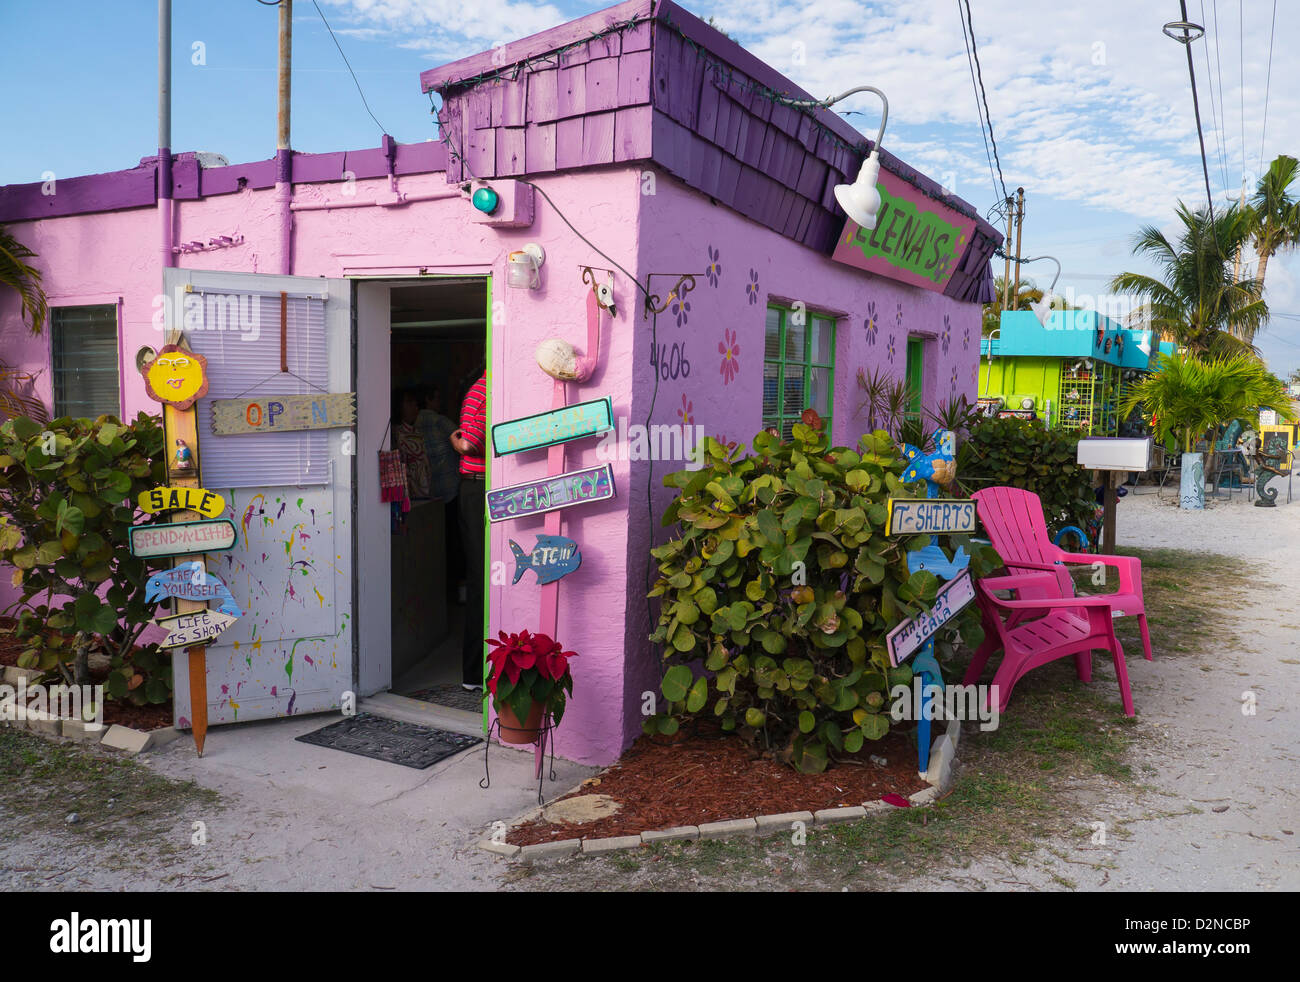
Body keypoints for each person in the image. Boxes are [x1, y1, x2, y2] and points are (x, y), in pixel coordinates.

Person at [450, 370, 487, 690]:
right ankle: (474, 673)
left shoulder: (486, 388)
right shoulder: (485, 390)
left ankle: (478, 670)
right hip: (476, 491)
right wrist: (455, 441)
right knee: (481, 579)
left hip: (479, 490)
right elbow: (469, 443)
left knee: (486, 578)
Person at [416, 386, 459, 504]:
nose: (440, 402)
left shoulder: (414, 423)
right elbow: (462, 440)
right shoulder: (440, 421)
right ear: (428, 400)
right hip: (449, 486)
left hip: (427, 491)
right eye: (437, 398)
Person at [393, 390, 431, 500]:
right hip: (407, 496)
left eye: (415, 404)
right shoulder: (395, 435)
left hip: (424, 492)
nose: (415, 408)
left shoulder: (416, 432)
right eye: (409, 403)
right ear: (398, 406)